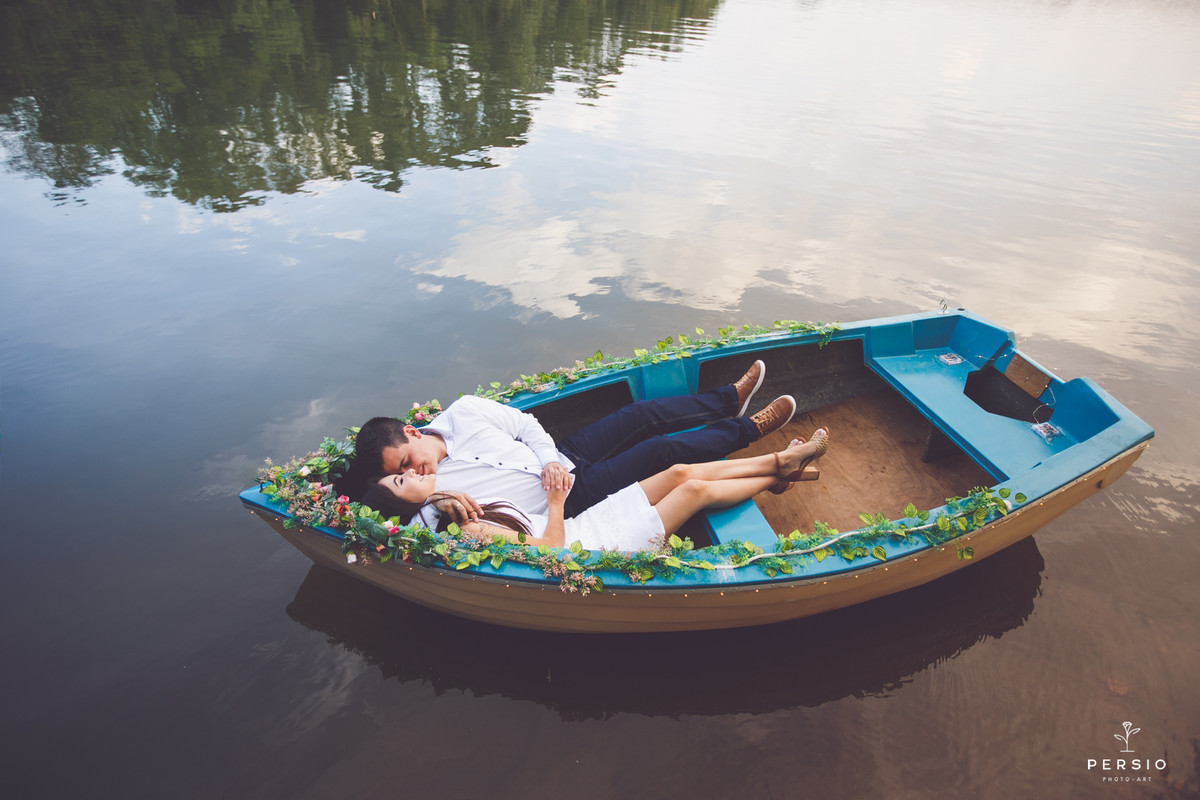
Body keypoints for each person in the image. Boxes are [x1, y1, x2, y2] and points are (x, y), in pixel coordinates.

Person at [338, 361, 798, 527]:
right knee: (658, 452)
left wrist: (548, 460)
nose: (414, 473)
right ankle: (749, 430)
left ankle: (728, 400)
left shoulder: (465, 411)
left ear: (413, 432)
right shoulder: (431, 496)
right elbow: (402, 517)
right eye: (401, 474)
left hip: (560, 457)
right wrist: (434, 496)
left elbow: (526, 424)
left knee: (637, 415)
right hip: (568, 500)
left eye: (407, 461)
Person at [360, 430, 829, 551]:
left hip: (591, 521)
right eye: (401, 480)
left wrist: (438, 496)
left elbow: (427, 504)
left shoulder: (450, 505)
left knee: (679, 471)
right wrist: (556, 502)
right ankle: (781, 473)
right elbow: (552, 551)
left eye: (404, 470)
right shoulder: (467, 531)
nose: (413, 474)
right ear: (406, 507)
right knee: (694, 492)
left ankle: (778, 461)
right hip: (594, 544)